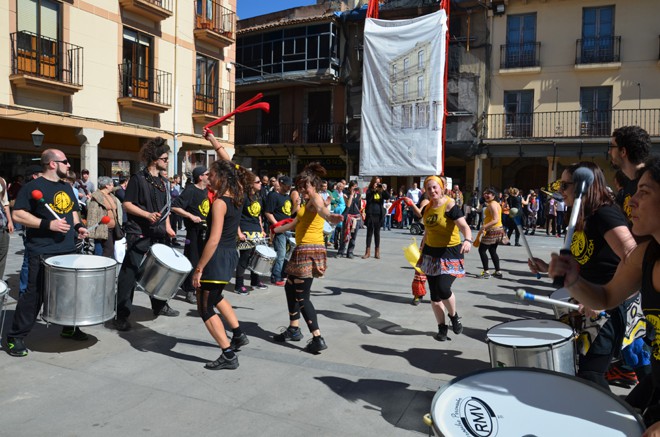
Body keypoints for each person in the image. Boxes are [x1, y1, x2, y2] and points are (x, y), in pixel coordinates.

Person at [548, 156, 660, 433]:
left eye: (644, 194)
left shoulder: (605, 216)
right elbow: (607, 296)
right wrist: (573, 280)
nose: (631, 201)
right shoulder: (645, 255)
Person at [529, 162, 636, 390]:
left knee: (591, 375)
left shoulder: (604, 215)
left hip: (608, 307)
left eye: (565, 185)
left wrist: (603, 302)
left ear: (583, 186)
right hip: (588, 301)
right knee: (585, 371)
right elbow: (586, 261)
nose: (561, 190)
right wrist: (547, 266)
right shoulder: (581, 218)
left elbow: (633, 259)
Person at [6, 149, 89, 356]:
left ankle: (69, 327)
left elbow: (72, 212)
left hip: (68, 249)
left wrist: (78, 227)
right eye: (66, 161)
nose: (69, 165)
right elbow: (17, 215)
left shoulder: (67, 187)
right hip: (42, 250)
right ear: (53, 164)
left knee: (68, 293)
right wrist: (47, 224)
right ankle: (15, 337)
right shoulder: (32, 187)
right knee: (34, 295)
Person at [271, 162, 343, 353]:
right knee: (290, 287)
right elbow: (296, 222)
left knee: (303, 296)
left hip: (309, 250)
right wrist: (276, 229)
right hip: (302, 249)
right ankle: (294, 328)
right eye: (300, 186)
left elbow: (322, 209)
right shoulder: (306, 203)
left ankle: (317, 337)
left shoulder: (315, 199)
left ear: (314, 186)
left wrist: (330, 216)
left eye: (306, 186)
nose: (302, 189)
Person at [190, 157, 252, 370]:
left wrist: (198, 268)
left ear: (223, 177)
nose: (208, 177)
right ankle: (238, 334)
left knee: (205, 307)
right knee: (216, 297)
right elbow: (235, 168)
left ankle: (227, 353)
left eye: (212, 174)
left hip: (217, 258)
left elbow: (213, 239)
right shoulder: (237, 196)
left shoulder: (219, 203)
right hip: (229, 255)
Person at [114, 137, 179, 332]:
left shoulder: (162, 182)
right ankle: (121, 315)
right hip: (139, 233)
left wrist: (167, 226)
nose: (167, 161)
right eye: (165, 158)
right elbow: (127, 204)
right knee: (129, 273)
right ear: (154, 159)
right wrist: (147, 214)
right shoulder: (138, 179)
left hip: (158, 233)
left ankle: (159, 305)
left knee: (158, 272)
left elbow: (165, 209)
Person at [404, 176, 472, 340]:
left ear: (441, 188)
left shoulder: (449, 205)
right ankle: (442, 328)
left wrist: (468, 240)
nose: (432, 191)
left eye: (435, 187)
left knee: (443, 288)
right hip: (430, 253)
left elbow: (464, 226)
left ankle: (454, 317)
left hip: (449, 253)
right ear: (425, 191)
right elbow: (427, 228)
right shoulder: (427, 207)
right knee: (434, 297)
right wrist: (422, 246)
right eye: (429, 188)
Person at [171, 166, 210, 304]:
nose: (209, 176)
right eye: (207, 174)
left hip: (206, 230)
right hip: (193, 231)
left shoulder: (208, 191)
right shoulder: (190, 190)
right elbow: (174, 206)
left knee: (204, 260)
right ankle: (189, 290)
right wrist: (191, 216)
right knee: (192, 261)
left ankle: (201, 287)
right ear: (200, 177)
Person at [234, 174, 268, 295]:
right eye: (258, 182)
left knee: (256, 257)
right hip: (245, 231)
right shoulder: (243, 197)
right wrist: (239, 232)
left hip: (256, 231)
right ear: (250, 184)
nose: (261, 184)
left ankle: (255, 281)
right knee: (244, 258)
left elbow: (259, 215)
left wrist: (262, 229)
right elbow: (236, 216)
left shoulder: (258, 196)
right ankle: (239, 285)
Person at [609, 126, 651, 221]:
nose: (609, 151)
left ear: (623, 151)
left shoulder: (653, 182)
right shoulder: (627, 184)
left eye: (611, 147)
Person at [265, 176, 293, 286]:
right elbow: (268, 212)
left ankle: (281, 273)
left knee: (286, 254)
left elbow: (288, 213)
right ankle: (276, 276)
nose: (289, 187)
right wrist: (276, 225)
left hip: (287, 228)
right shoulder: (274, 196)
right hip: (280, 229)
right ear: (281, 184)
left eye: (290, 185)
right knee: (280, 253)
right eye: (287, 185)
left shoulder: (288, 197)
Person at [87, 176, 122, 259]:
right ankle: (103, 267)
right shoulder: (97, 197)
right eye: (111, 184)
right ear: (107, 185)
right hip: (103, 228)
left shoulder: (110, 195)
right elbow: (92, 214)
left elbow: (117, 188)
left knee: (110, 249)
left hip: (113, 228)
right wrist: (90, 231)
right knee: (108, 250)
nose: (113, 186)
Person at [478, 187, 506, 279]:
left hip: (493, 230)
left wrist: (484, 227)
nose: (486, 195)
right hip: (498, 229)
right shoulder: (495, 203)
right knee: (492, 250)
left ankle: (486, 272)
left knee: (482, 250)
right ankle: (498, 271)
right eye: (485, 193)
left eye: (488, 193)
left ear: (493, 195)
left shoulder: (492, 205)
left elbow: (495, 219)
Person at [362, 176, 390, 259]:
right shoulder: (369, 191)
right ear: (372, 183)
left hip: (379, 214)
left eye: (378, 183)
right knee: (369, 233)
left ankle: (377, 252)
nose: (377, 184)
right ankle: (367, 252)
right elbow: (369, 198)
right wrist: (374, 190)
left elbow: (388, 196)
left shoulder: (381, 191)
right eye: (376, 183)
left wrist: (383, 189)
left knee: (377, 233)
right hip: (371, 213)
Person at [337, 180, 361, 259]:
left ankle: (350, 252)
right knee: (344, 234)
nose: (355, 188)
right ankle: (341, 251)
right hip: (348, 215)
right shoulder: (345, 194)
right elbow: (348, 205)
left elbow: (359, 205)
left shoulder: (358, 195)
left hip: (356, 216)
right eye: (353, 187)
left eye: (356, 187)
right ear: (350, 187)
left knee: (353, 236)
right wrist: (351, 195)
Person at [0, 174, 15, 279]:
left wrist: (10, 221)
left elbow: (5, 203)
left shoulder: (1, 181)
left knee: (2, 257)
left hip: (2, 226)